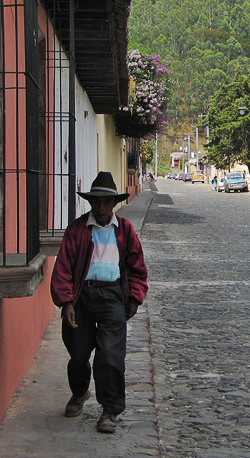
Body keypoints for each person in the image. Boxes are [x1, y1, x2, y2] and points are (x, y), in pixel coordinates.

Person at [50, 171, 148, 434]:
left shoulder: (125, 230)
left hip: (113, 297)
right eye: (97, 202)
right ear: (91, 202)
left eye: (107, 202)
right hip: (82, 298)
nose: (102, 207)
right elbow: (64, 267)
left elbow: (138, 268)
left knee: (110, 358)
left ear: (114, 203)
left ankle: (109, 410)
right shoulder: (77, 229)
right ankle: (79, 392)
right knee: (79, 355)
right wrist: (66, 302)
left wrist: (134, 298)